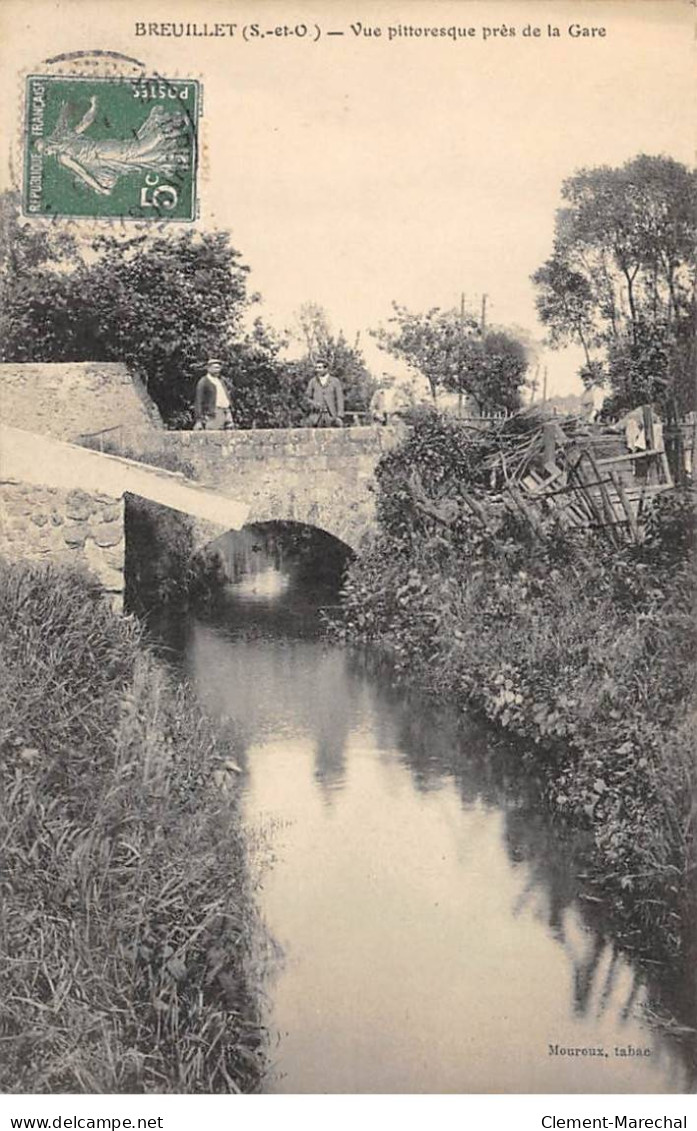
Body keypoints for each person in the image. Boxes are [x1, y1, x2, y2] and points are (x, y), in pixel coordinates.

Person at [35, 96, 190, 197]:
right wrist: (99, 188)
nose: (47, 153)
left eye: (45, 149)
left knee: (135, 150)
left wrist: (94, 106)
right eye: (44, 153)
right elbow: (83, 172)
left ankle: (171, 129)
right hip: (103, 155)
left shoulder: (64, 150)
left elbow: (83, 172)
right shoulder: (64, 147)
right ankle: (177, 148)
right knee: (137, 157)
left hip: (103, 151)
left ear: (49, 142)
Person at [194, 359, 234, 430]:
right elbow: (198, 401)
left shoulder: (220, 381)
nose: (217, 370)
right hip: (214, 413)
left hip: (226, 412)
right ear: (209, 368)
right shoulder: (204, 381)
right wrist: (199, 420)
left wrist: (229, 410)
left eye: (219, 368)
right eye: (215, 368)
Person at [305, 363, 344, 427]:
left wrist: (339, 416)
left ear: (326, 369)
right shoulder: (312, 381)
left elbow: (340, 399)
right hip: (316, 417)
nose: (317, 370)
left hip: (331, 416)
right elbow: (307, 398)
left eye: (320, 368)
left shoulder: (335, 381)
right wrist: (315, 404)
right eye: (316, 368)